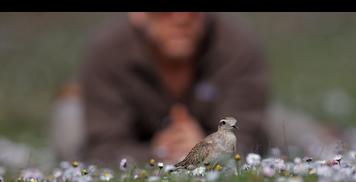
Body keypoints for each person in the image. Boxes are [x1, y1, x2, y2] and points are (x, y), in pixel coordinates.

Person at [78, 13, 269, 166]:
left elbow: (246, 134)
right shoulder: (108, 49)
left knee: (287, 131)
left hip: (214, 137)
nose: (181, 18)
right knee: (70, 125)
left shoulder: (235, 42)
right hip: (138, 141)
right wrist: (156, 153)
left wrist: (206, 147)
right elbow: (104, 146)